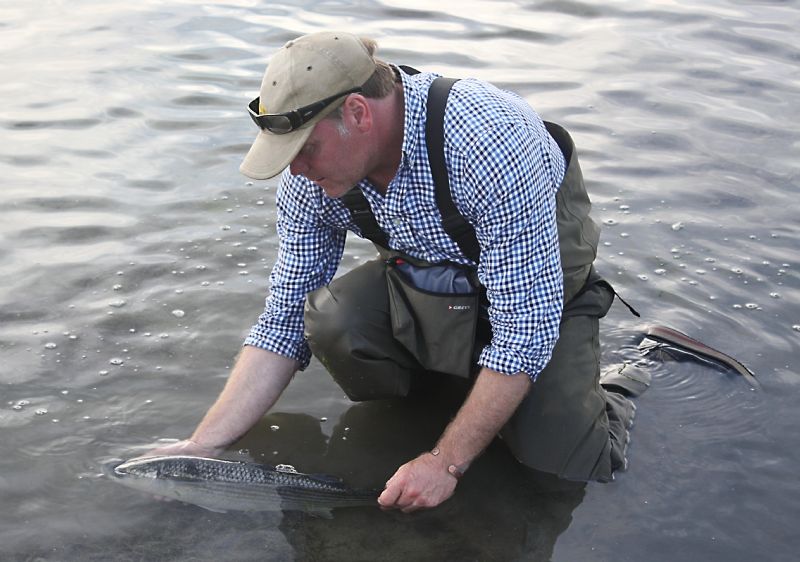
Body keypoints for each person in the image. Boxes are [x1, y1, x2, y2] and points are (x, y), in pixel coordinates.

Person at [148, 31, 648, 513]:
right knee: (331, 319)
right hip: (435, 284)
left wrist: (444, 463)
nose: (295, 171)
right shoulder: (312, 177)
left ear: (358, 113)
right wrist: (199, 446)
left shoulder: (487, 141)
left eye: (304, 151)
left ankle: (618, 386)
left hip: (541, 298)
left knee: (564, 468)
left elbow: (524, 331)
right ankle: (458, 399)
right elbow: (282, 322)